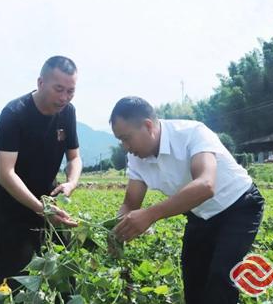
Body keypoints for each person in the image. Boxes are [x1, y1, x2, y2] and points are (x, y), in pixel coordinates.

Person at [110, 96, 264, 304]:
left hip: (239, 207)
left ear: (148, 126)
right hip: (200, 214)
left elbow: (206, 185)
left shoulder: (191, 133)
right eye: (120, 140)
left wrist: (150, 214)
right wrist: (115, 232)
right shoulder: (136, 158)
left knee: (221, 277)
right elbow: (130, 203)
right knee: (194, 281)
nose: (125, 147)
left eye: (127, 138)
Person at [0, 56, 82, 289]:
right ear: (41, 83)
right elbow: (5, 173)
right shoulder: (15, 114)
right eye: (58, 89)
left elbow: (74, 157)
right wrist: (40, 210)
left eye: (70, 91)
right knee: (16, 281)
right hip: (13, 206)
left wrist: (71, 183)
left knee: (65, 270)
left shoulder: (68, 112)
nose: (64, 97)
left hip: (49, 202)